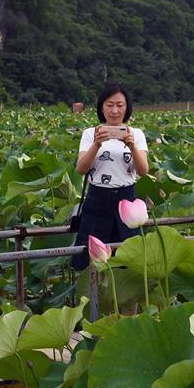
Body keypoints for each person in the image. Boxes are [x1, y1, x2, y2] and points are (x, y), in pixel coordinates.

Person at [70, 84, 149, 270]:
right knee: (92, 259)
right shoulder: (90, 134)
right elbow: (81, 169)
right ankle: (93, 296)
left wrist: (132, 147)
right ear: (101, 107)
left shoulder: (136, 134)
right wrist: (97, 144)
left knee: (129, 260)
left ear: (127, 107)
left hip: (127, 200)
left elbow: (143, 170)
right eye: (109, 105)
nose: (114, 110)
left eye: (120, 105)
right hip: (98, 199)